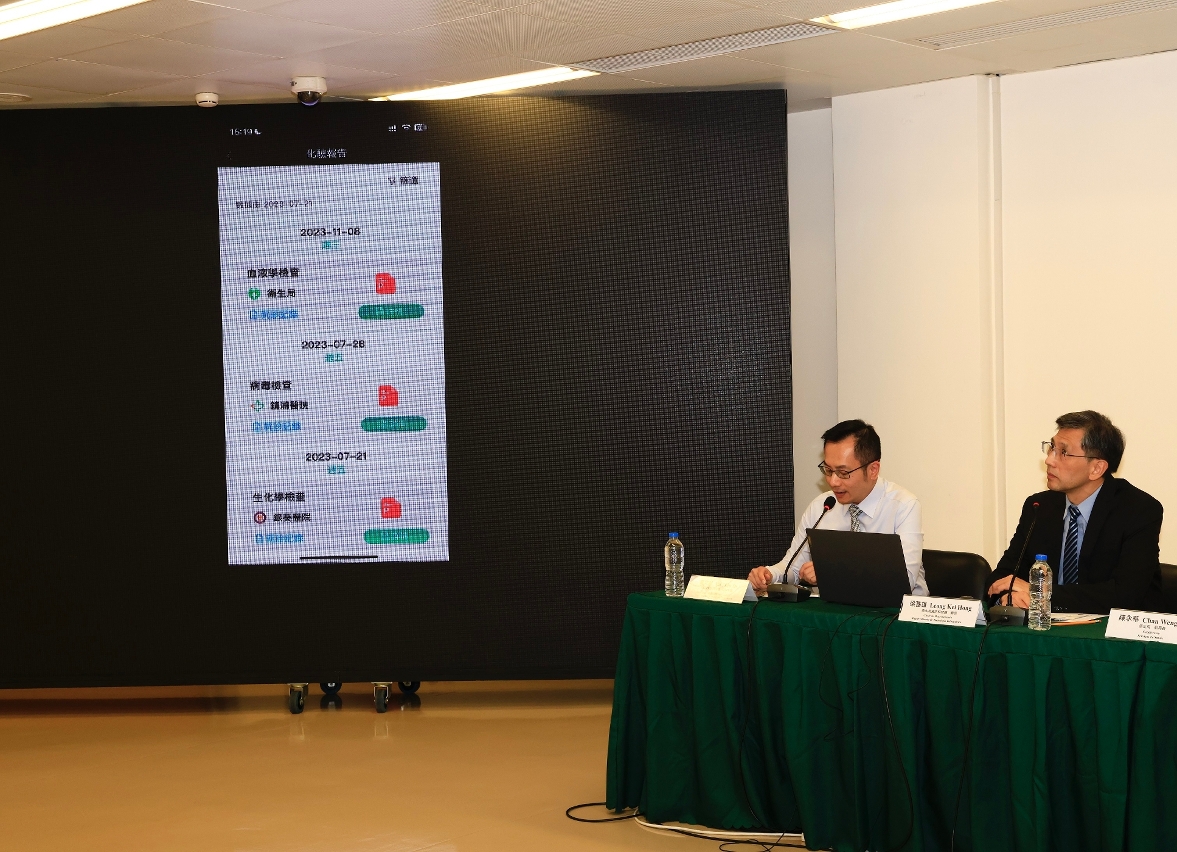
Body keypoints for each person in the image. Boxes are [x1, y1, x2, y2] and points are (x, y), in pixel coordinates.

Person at [987, 410, 1163, 614]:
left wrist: (1040, 593)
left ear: (1096, 468)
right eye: (1052, 447)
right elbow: (1003, 576)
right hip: (1047, 628)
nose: (1049, 460)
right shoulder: (1039, 507)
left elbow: (1125, 595)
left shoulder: (1138, 510)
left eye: (1063, 452)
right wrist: (1008, 596)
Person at [748, 419, 927, 596]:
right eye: (828, 470)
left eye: (843, 472)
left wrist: (832, 571)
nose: (833, 481)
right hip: (835, 611)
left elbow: (904, 580)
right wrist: (770, 575)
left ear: (873, 470)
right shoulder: (822, 506)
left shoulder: (904, 506)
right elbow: (792, 567)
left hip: (897, 611)